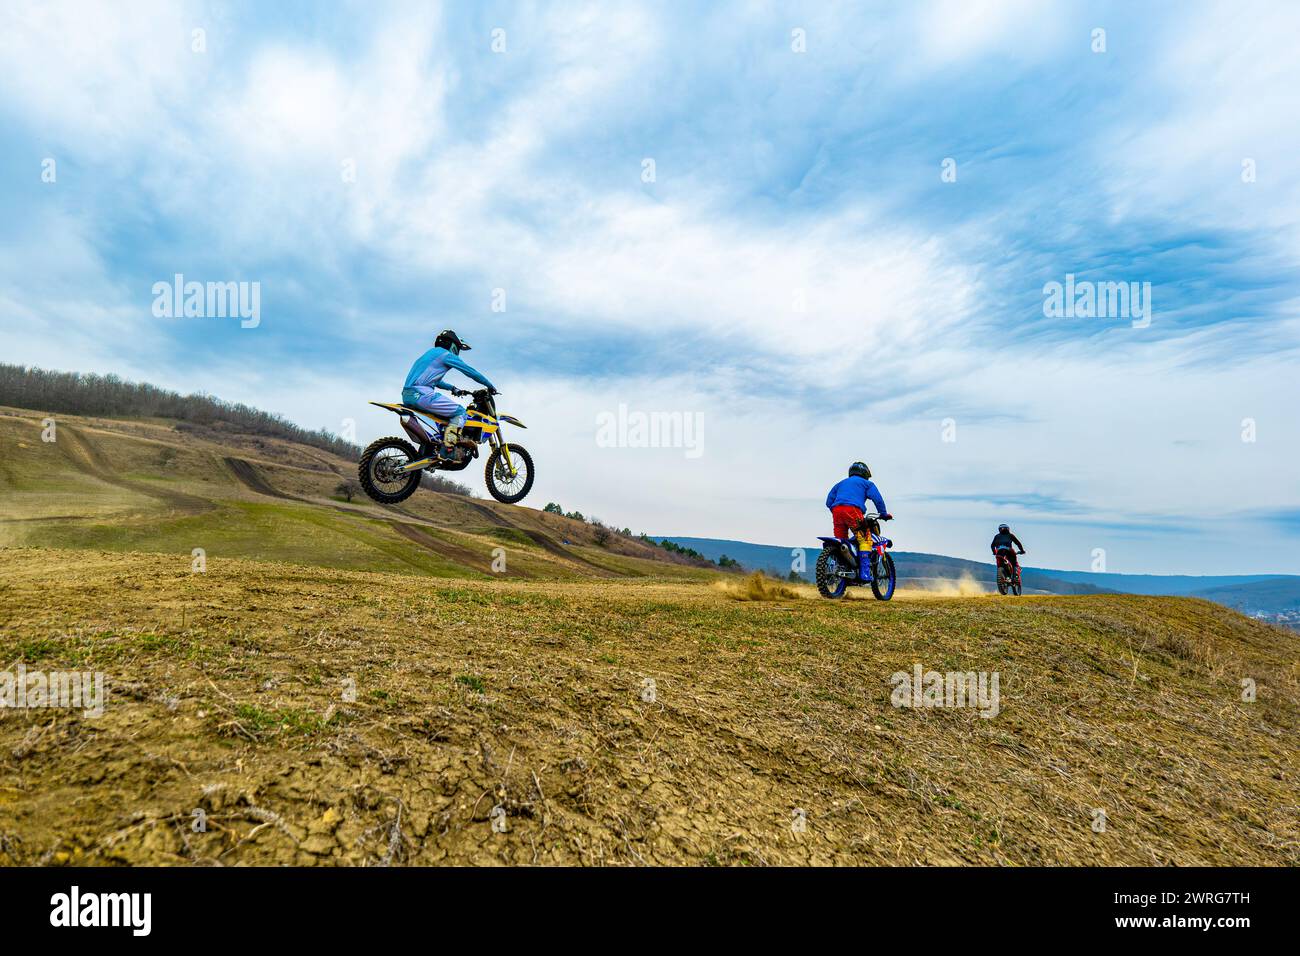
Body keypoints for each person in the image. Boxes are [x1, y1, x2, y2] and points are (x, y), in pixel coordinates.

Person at [402, 330, 497, 455]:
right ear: (453, 345)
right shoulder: (446, 355)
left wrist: (452, 388)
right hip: (422, 394)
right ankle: (448, 448)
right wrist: (489, 385)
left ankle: (431, 448)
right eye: (458, 348)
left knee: (441, 418)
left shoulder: (430, 354)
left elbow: (435, 381)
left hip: (407, 395)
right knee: (460, 413)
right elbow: (470, 371)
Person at [825, 462, 892, 553]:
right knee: (865, 540)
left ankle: (841, 565)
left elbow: (829, 502)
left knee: (841, 541)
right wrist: (883, 513)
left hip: (836, 510)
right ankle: (865, 567)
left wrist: (838, 510)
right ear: (865, 473)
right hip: (853, 510)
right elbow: (878, 499)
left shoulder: (840, 483)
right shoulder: (867, 484)